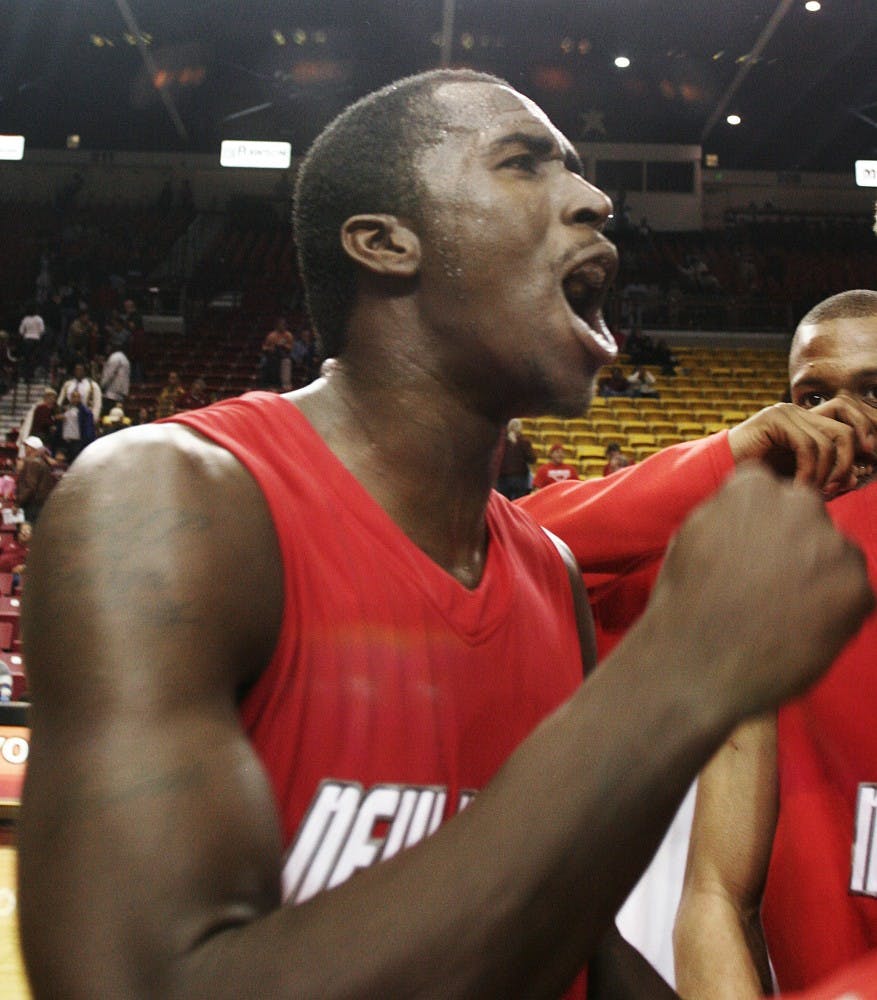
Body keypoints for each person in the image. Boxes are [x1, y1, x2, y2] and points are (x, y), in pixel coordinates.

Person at [18, 70, 873, 1000]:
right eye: (524, 164)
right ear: (386, 243)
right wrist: (676, 675)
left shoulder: (546, 574)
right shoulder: (168, 500)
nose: (594, 199)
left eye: (577, 170)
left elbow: (565, 943)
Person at [673, 288, 877, 996]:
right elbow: (715, 900)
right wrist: (728, 456)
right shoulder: (757, 594)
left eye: (874, 392)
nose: (843, 421)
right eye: (813, 398)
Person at [15, 436, 55, 525]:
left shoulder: (32, 463)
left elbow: (30, 487)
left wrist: (17, 503)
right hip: (39, 505)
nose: (25, 449)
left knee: (27, 528)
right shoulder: (42, 462)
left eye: (26, 446)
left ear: (31, 448)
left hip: (31, 505)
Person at [496, 417, 537, 500]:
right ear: (520, 428)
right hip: (520, 478)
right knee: (520, 502)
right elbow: (532, 459)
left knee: (504, 502)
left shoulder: (501, 442)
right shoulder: (524, 442)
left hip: (502, 478)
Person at [58, 362, 102, 428]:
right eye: (76, 370)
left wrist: (93, 420)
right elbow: (60, 401)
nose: (78, 372)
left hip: (85, 418)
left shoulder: (93, 386)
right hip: (68, 417)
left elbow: (97, 404)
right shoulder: (67, 385)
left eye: (80, 370)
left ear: (85, 372)